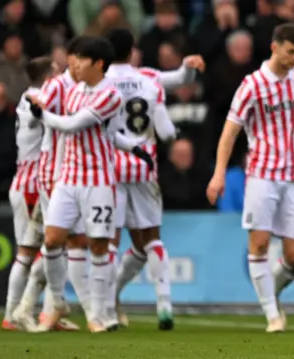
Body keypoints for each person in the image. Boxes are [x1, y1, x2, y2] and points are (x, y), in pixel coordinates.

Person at [206, 23, 294, 333]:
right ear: (274, 47)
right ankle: (272, 315)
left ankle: (271, 296)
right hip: (262, 175)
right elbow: (230, 131)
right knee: (259, 244)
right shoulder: (252, 84)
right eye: (290, 52)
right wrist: (219, 173)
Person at [26, 37, 126, 333]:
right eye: (73, 57)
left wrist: (42, 115)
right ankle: (57, 301)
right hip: (68, 179)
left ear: (98, 63)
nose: (75, 64)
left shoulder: (110, 95)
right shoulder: (74, 92)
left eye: (81, 59)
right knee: (53, 240)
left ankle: (97, 313)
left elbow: (73, 125)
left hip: (97, 181)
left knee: (97, 246)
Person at [12, 37, 89, 332]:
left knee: (62, 244)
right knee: (58, 241)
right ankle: (31, 306)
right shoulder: (55, 86)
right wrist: (37, 109)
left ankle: (44, 308)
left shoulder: (80, 88)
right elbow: (38, 106)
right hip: (52, 174)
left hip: (69, 173)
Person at [104, 28, 177, 331]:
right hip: (145, 167)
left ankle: (106, 305)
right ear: (132, 51)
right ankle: (164, 304)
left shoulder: (101, 84)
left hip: (110, 168)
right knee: (151, 239)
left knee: (109, 241)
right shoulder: (149, 83)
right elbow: (167, 131)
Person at [2, 56, 55, 331]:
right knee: (28, 252)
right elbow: (40, 111)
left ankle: (47, 310)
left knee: (51, 249)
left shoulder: (29, 96)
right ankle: (12, 314)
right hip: (31, 185)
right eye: (56, 72)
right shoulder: (35, 97)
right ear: (48, 77)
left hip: (33, 182)